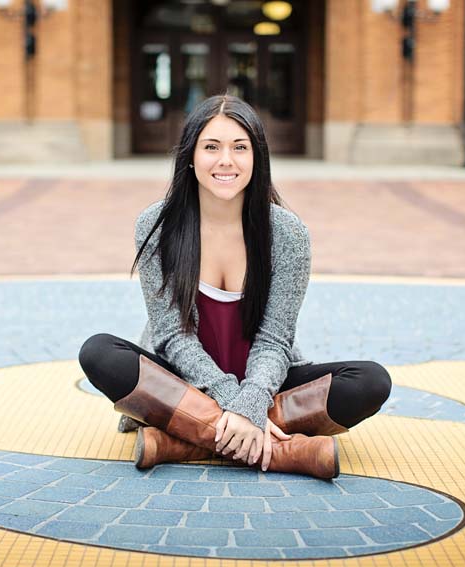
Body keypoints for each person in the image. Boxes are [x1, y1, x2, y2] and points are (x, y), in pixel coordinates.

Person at [79, 94, 391, 480]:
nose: (226, 160)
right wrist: (234, 405)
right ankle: (281, 451)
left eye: (239, 148)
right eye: (212, 147)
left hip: (264, 382)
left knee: (370, 382)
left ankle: (183, 441)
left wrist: (252, 402)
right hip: (182, 380)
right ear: (190, 157)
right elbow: (172, 337)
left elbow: (275, 339)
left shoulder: (287, 234)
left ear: (256, 158)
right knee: (99, 353)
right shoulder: (157, 225)